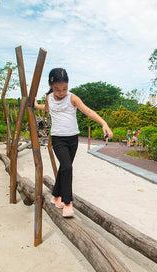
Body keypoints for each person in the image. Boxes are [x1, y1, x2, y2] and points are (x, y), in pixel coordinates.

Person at [34, 68, 113, 217]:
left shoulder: (72, 98)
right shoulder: (48, 97)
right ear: (51, 86)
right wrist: (36, 105)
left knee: (64, 168)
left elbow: (89, 112)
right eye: (57, 89)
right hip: (58, 139)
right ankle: (67, 203)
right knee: (67, 167)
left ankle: (56, 196)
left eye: (64, 88)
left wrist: (104, 123)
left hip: (72, 139)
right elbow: (47, 109)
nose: (61, 92)